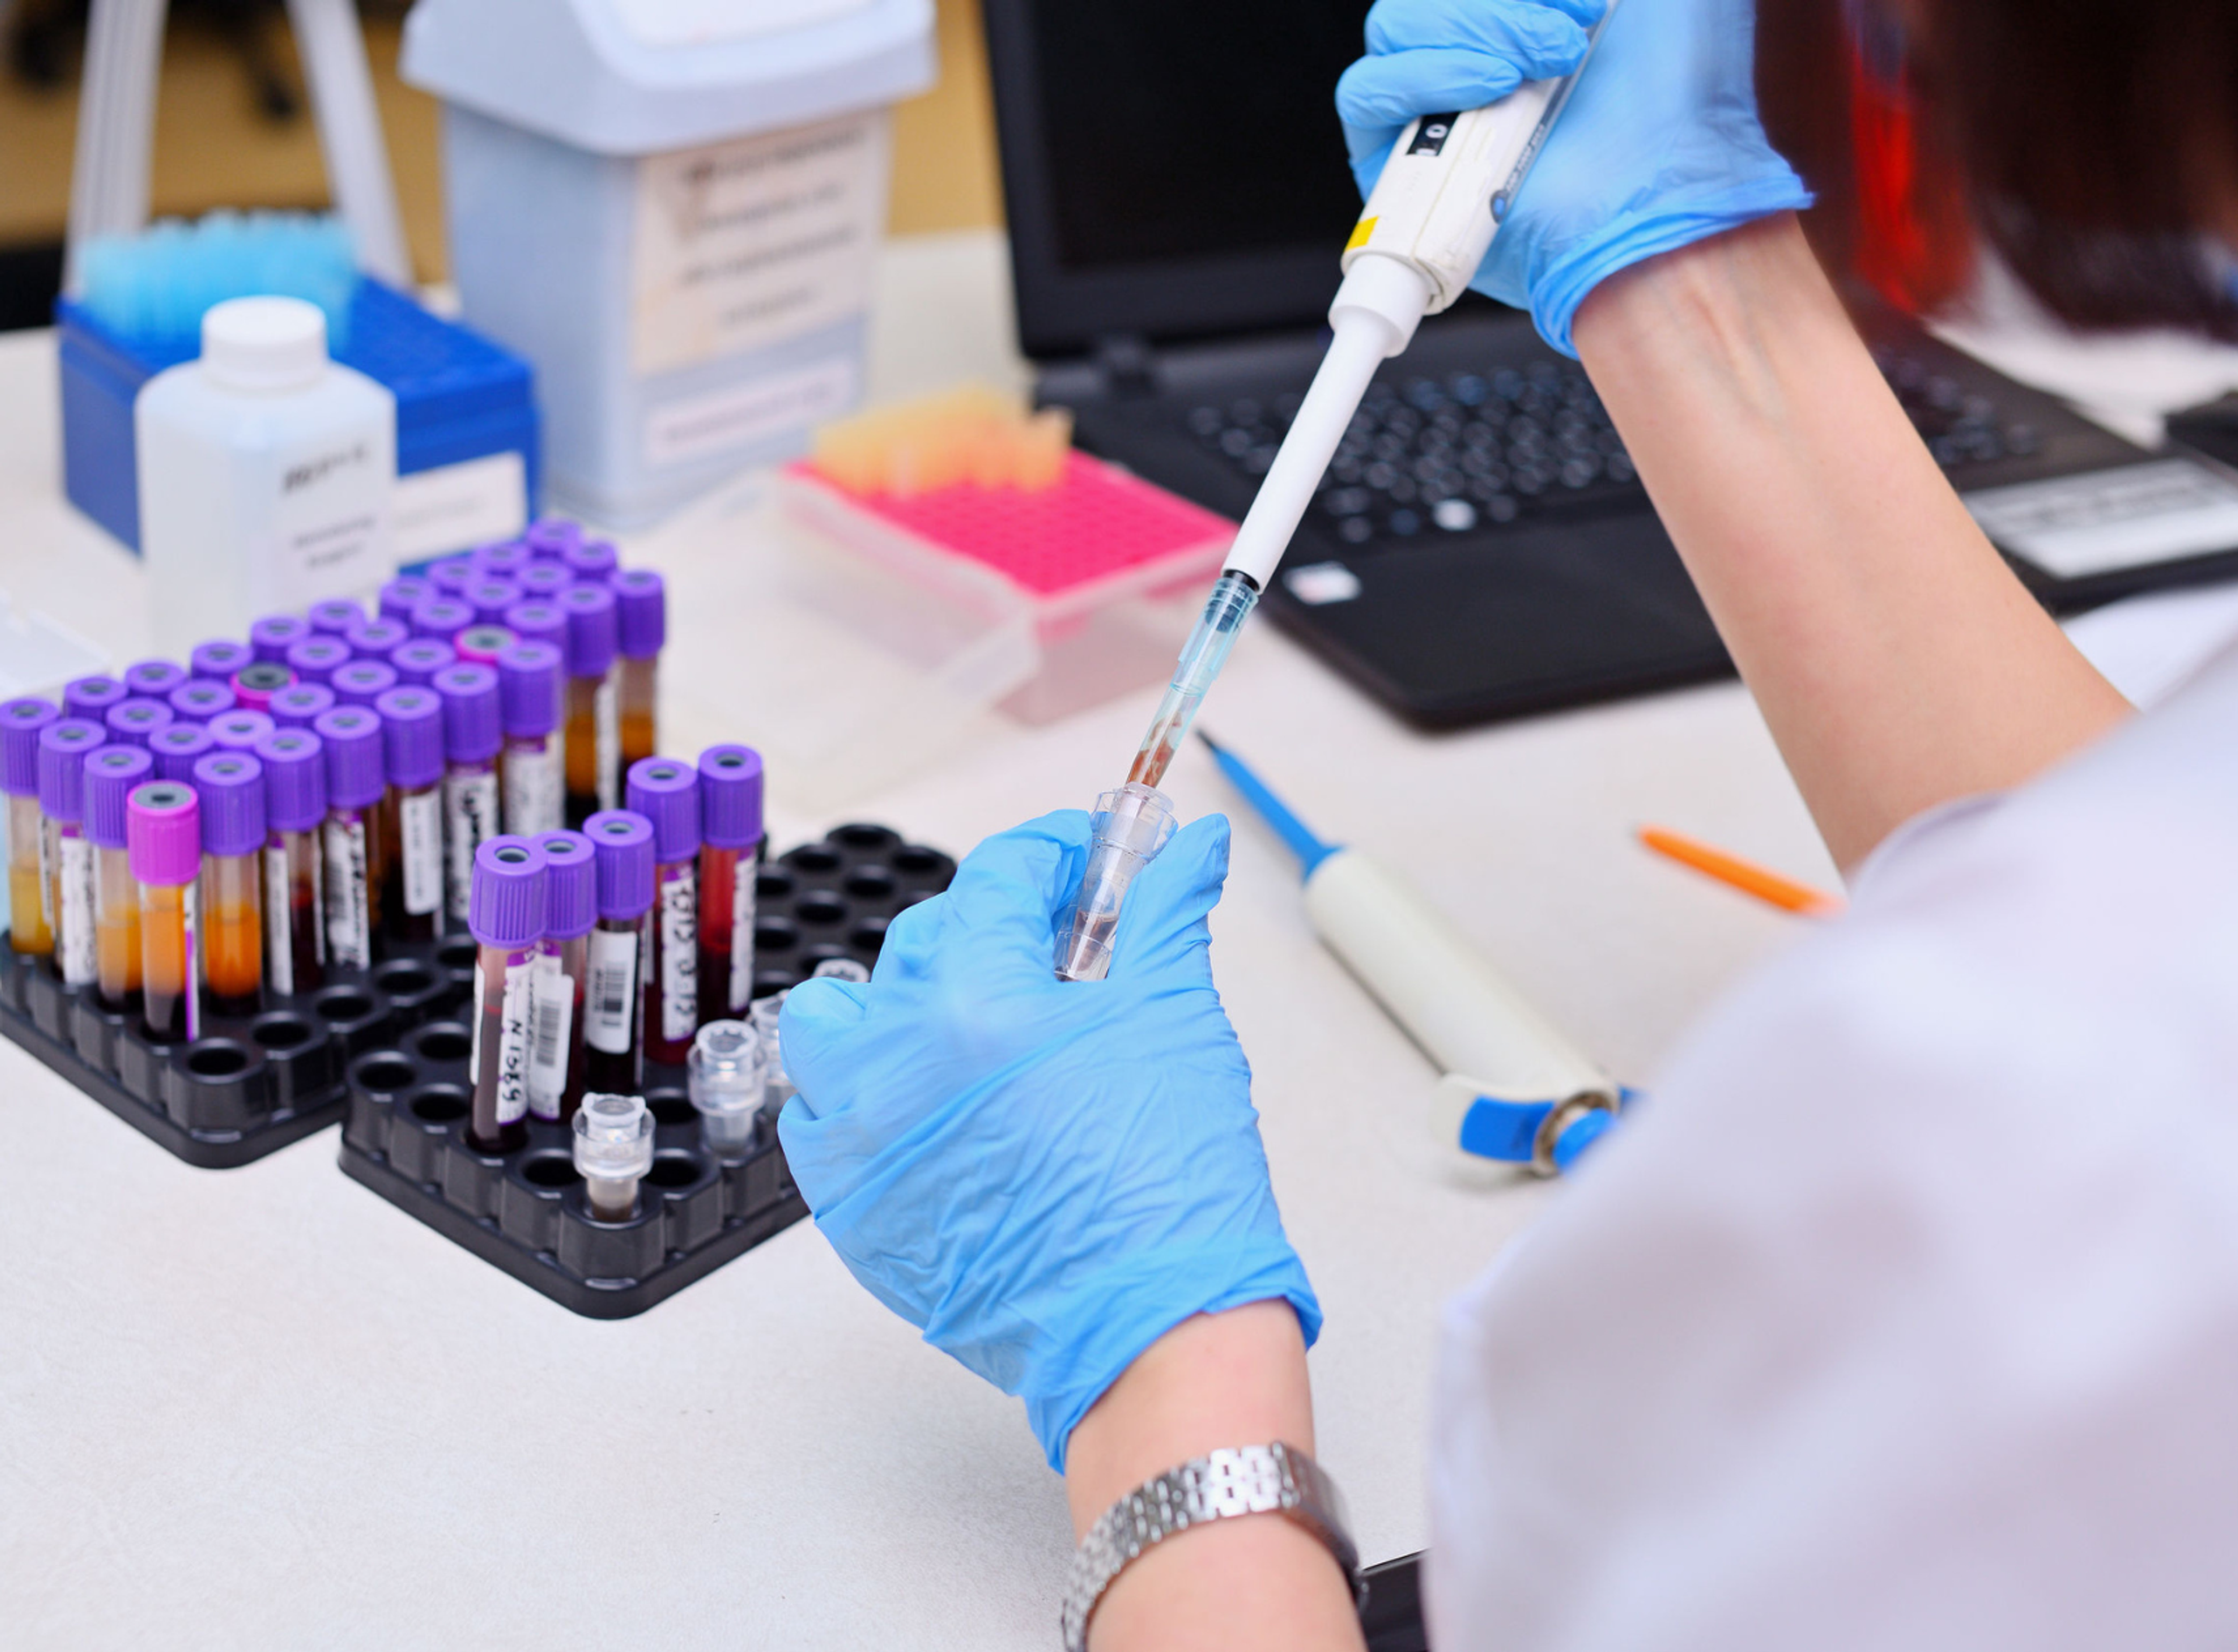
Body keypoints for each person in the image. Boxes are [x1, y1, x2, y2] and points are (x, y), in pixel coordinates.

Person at [776, 0, 2238, 1646]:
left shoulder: (1922, 1172)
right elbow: (2145, 922)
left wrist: (1160, 1384)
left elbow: (2125, 1055)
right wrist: (1681, 266)